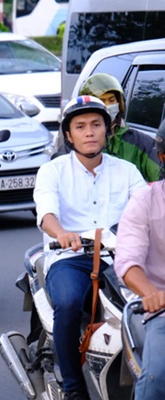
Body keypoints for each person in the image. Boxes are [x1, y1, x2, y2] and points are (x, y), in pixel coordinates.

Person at [33, 95, 146, 400]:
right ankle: (73, 387)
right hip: (71, 258)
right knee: (68, 303)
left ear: (107, 130)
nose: (89, 132)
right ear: (68, 135)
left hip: (123, 257)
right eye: (80, 126)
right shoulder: (53, 171)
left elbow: (147, 209)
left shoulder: (127, 171)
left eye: (96, 124)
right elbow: (46, 214)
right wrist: (62, 234)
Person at [115, 119, 165, 400]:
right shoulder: (145, 201)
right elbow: (128, 260)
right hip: (162, 311)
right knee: (158, 378)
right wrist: (151, 293)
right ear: (163, 157)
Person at [79, 72, 160, 182]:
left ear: (119, 102)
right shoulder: (76, 145)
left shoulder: (141, 143)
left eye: (112, 100)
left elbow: (160, 177)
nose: (108, 105)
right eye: (102, 101)